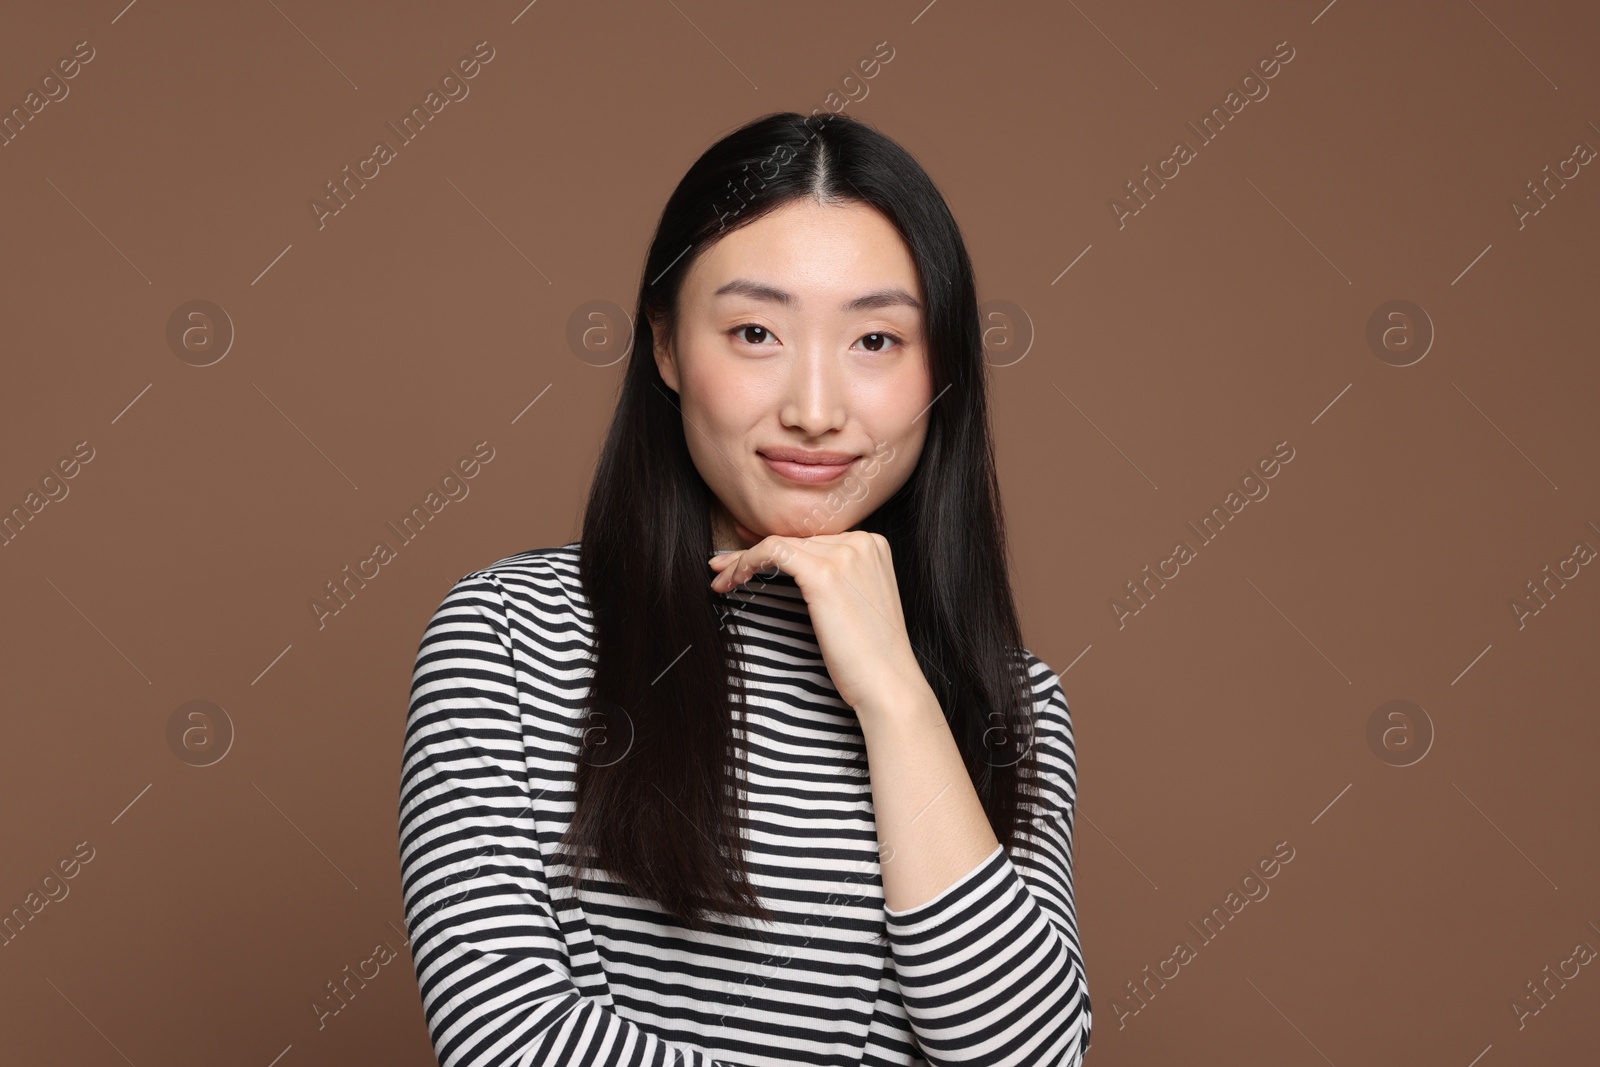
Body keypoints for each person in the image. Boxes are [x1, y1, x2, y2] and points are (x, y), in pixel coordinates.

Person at [397, 110, 1091, 1066]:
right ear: (668, 347)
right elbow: (510, 1040)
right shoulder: (514, 636)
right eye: (756, 330)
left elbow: (1029, 1056)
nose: (813, 409)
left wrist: (895, 695)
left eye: (877, 341)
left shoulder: (1012, 703)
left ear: (945, 371)